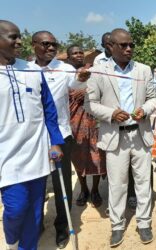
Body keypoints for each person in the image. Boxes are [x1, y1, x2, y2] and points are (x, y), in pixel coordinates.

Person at [84, 28, 156, 247]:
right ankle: (117, 226)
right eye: (123, 45)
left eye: (131, 45)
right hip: (115, 136)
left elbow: (154, 98)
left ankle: (144, 223)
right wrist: (110, 114)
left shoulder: (144, 70)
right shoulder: (98, 71)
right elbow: (90, 104)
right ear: (111, 47)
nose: (129, 49)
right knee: (117, 184)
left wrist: (144, 110)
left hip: (140, 133)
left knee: (144, 183)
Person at [0, 20, 64, 250]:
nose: (19, 41)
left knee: (35, 212)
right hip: (5, 157)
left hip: (37, 152)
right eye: (12, 37)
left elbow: (49, 110)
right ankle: (11, 241)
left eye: (19, 37)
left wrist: (56, 142)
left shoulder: (33, 71)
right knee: (16, 209)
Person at [31, 31, 87, 249]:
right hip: (33, 138)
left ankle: (62, 227)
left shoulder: (65, 69)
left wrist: (81, 79)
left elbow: (77, 86)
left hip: (60, 136)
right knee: (36, 183)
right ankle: (36, 224)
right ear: (33, 45)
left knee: (60, 183)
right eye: (45, 44)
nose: (51, 47)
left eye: (54, 44)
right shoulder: (26, 69)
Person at [66, 45, 106, 208]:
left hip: (94, 119)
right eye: (74, 53)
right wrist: (75, 92)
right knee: (78, 156)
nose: (78, 55)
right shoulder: (64, 73)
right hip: (74, 120)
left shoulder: (93, 72)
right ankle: (84, 189)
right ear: (68, 58)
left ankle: (95, 190)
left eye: (80, 52)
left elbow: (102, 91)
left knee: (98, 155)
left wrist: (87, 92)